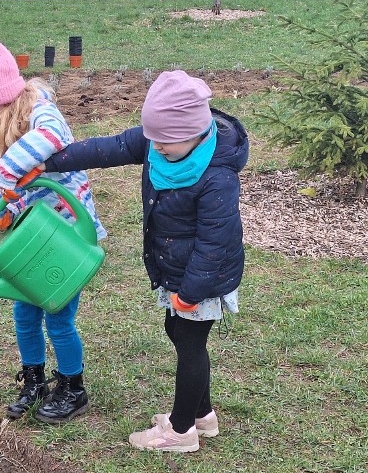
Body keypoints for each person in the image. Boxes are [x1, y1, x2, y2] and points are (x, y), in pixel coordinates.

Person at [39, 70, 248, 451]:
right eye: (154, 140)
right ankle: (202, 416)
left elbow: (215, 242)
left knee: (189, 342)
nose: (158, 149)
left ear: (196, 133)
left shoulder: (216, 176)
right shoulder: (162, 141)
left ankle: (181, 431)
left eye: (166, 143)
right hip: (177, 267)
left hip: (202, 276)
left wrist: (191, 291)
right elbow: (110, 148)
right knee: (180, 333)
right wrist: (51, 163)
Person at [0, 38, 106, 424]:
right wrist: (7, 210)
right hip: (34, 239)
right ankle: (35, 381)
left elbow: (53, 141)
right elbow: (14, 190)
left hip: (67, 240)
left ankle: (73, 388)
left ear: (5, 98)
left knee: (57, 316)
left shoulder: (43, 114)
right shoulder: (2, 134)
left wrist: (8, 171)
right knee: (24, 314)